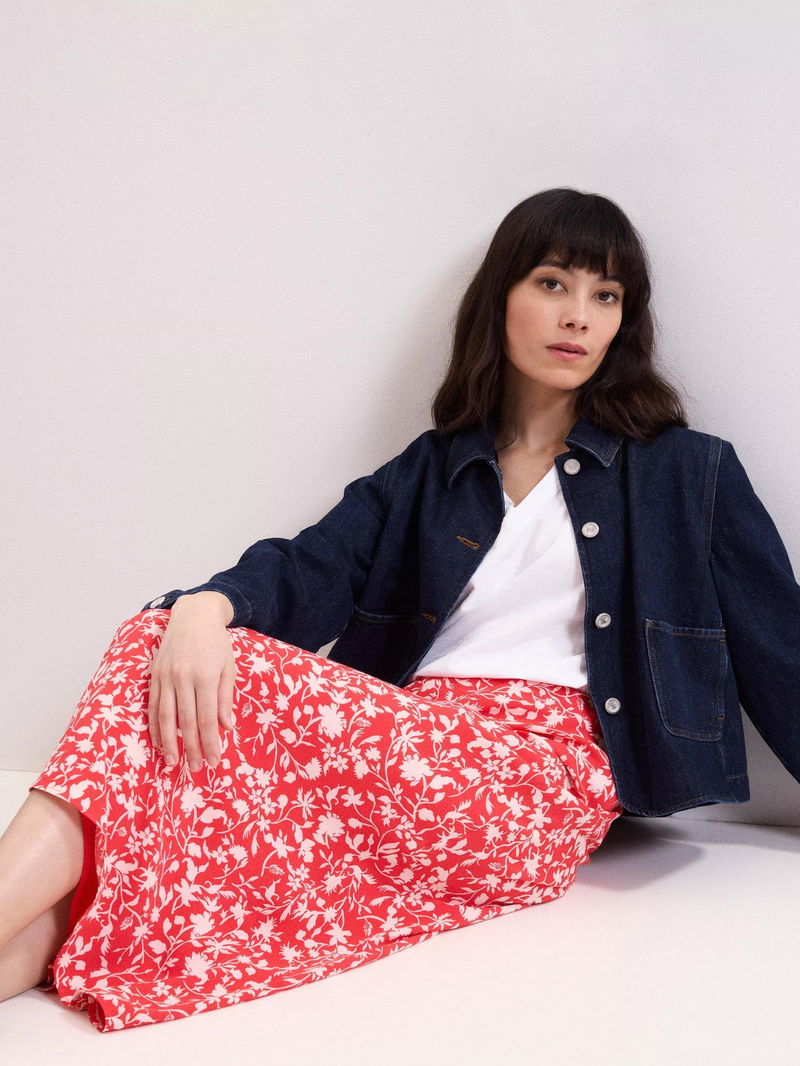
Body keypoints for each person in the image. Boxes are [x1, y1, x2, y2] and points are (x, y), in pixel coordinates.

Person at [3, 188, 798, 1031]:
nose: (579, 316)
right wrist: (205, 608)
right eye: (553, 283)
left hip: (530, 787)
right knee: (111, 835)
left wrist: (189, 619)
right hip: (398, 763)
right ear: (500, 299)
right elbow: (310, 566)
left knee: (152, 641)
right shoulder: (432, 471)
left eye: (606, 295)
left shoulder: (686, 472)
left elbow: (782, 653)